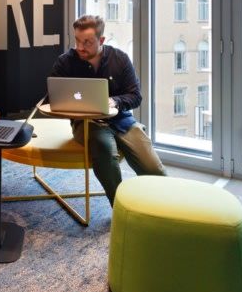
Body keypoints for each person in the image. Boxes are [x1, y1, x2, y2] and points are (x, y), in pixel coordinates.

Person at [50, 14, 166, 206]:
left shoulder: (120, 59)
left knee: (154, 169)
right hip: (87, 124)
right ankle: (121, 207)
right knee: (105, 151)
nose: (80, 47)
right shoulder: (65, 62)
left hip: (122, 121)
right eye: (77, 40)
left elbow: (136, 96)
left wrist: (115, 101)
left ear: (101, 40)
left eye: (87, 42)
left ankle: (168, 206)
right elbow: (52, 94)